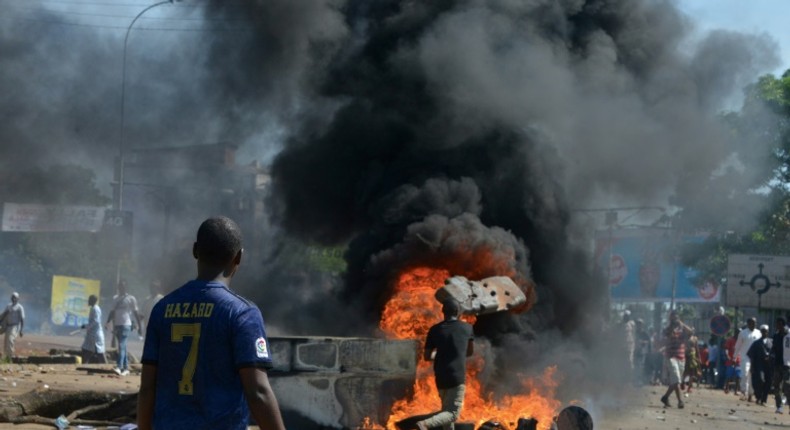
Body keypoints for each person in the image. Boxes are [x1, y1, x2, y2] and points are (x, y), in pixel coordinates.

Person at [137, 216, 285, 430]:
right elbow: (258, 393)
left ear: (195, 251)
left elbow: (147, 388)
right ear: (238, 258)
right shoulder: (243, 313)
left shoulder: (162, 309)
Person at [415, 299, 474, 430]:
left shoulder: (434, 330)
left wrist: (441, 354)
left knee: (446, 413)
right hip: (456, 377)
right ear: (458, 312)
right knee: (452, 413)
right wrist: (454, 352)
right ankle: (425, 424)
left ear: (443, 312)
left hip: (440, 377)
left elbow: (427, 356)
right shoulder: (467, 328)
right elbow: (469, 352)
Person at [104, 279, 143, 376]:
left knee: (121, 345)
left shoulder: (131, 298)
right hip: (117, 325)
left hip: (126, 325)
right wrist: (108, 322)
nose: (121, 287)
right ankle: (126, 369)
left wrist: (140, 327)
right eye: (120, 286)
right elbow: (112, 311)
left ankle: (119, 366)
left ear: (126, 287)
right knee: (123, 347)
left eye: (123, 286)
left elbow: (135, 313)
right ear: (118, 287)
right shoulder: (115, 299)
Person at [660, 311, 693, 409]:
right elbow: (668, 335)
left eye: (676, 318)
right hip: (671, 357)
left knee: (676, 381)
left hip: (681, 357)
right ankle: (680, 401)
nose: (675, 320)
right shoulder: (667, 330)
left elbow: (691, 333)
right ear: (670, 319)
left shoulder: (683, 329)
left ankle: (665, 397)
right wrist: (672, 326)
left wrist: (681, 324)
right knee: (677, 379)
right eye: (673, 318)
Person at [734, 317, 762, 401]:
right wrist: (734, 357)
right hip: (744, 357)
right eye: (752, 323)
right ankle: (743, 392)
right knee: (745, 374)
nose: (754, 324)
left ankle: (750, 394)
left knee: (752, 376)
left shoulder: (759, 333)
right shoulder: (742, 333)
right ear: (748, 323)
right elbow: (738, 346)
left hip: (755, 358)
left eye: (755, 323)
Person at [747, 324, 772, 406]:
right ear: (761, 332)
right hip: (759, 365)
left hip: (769, 366)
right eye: (763, 331)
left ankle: (764, 400)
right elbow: (751, 356)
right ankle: (758, 397)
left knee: (768, 382)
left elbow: (776, 352)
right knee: (760, 380)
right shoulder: (756, 343)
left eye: (766, 331)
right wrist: (752, 366)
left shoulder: (772, 342)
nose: (765, 333)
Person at [770, 317, 790, 414]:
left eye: (778, 324)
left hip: (787, 365)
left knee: (787, 387)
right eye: (776, 324)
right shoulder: (776, 336)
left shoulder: (789, 335)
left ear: (783, 324)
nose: (777, 326)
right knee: (776, 386)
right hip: (778, 365)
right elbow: (773, 349)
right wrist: (771, 355)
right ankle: (779, 406)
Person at [80, 295, 106, 364]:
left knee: (91, 351)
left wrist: (86, 326)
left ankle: (105, 366)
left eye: (89, 300)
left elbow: (96, 321)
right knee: (89, 350)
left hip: (95, 335)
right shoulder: (94, 308)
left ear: (92, 301)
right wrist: (86, 326)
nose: (88, 301)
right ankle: (85, 366)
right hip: (93, 334)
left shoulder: (95, 308)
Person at [0, 292, 25, 360]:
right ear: (11, 298)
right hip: (8, 326)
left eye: (15, 297)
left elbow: (22, 319)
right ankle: (6, 357)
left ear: (18, 299)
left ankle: (10, 357)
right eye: (12, 297)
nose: (13, 298)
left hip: (15, 326)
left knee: (10, 340)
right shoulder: (8, 306)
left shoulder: (20, 307)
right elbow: (3, 315)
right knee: (6, 341)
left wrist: (21, 330)